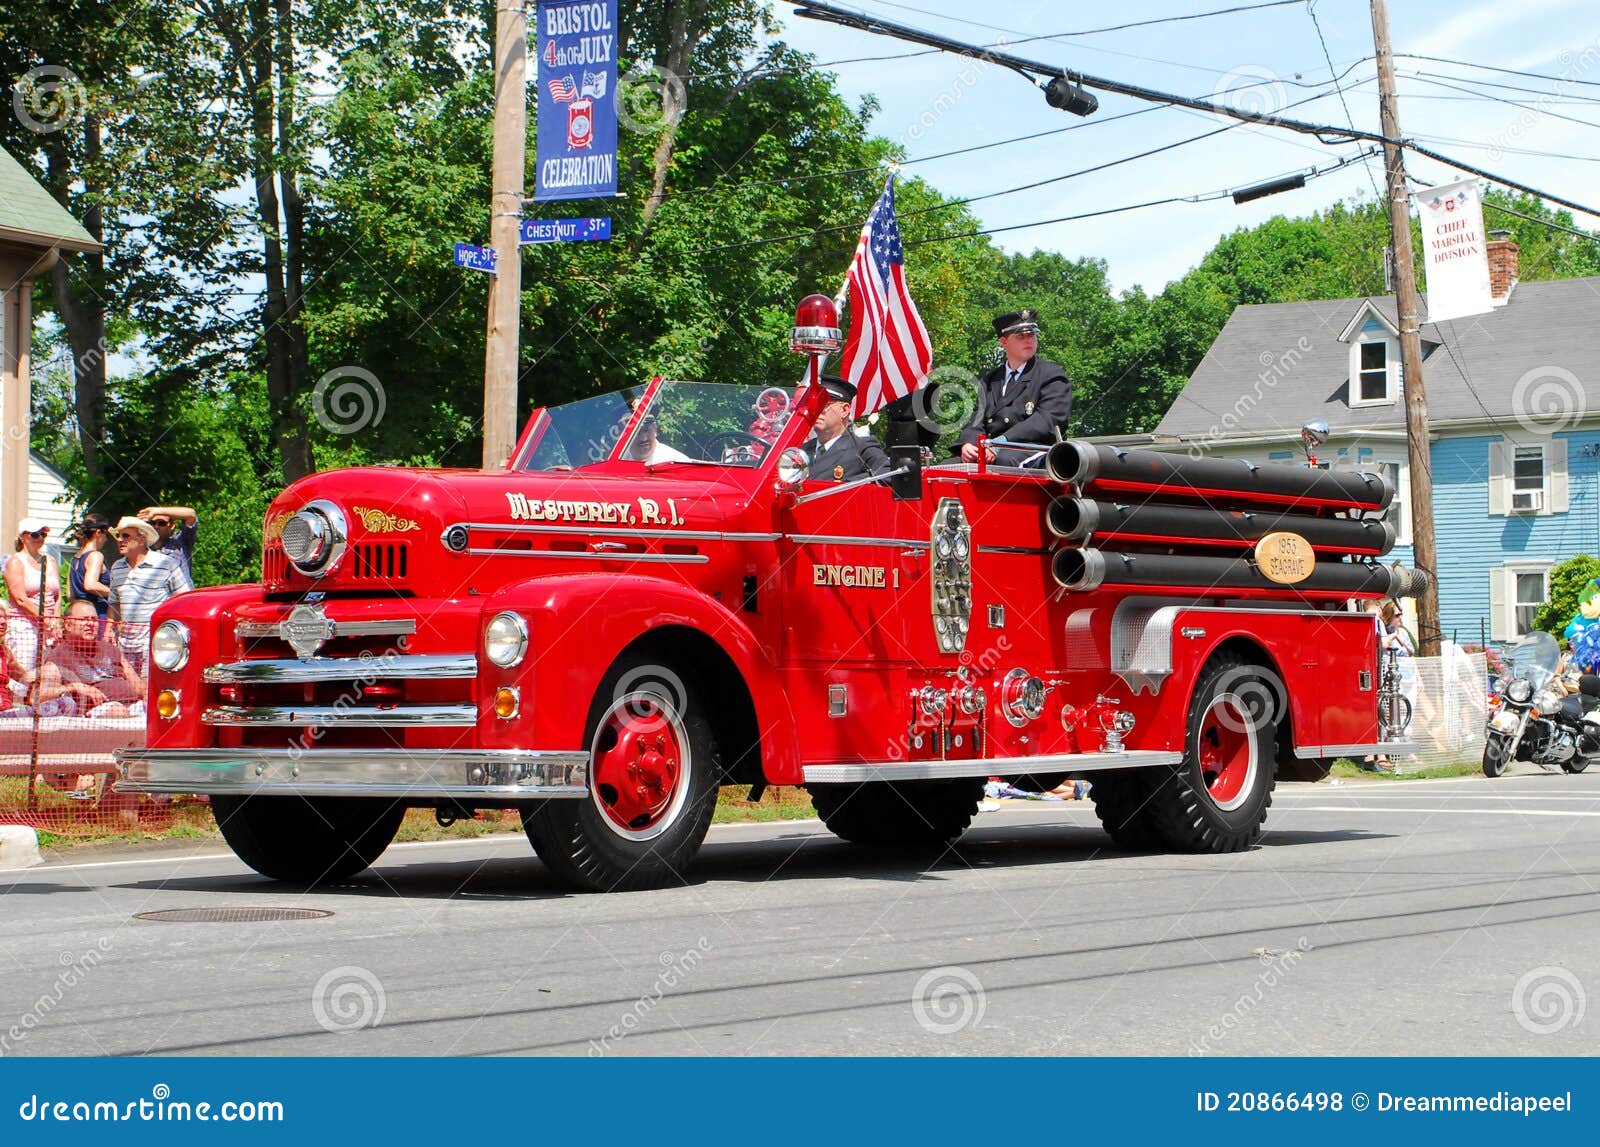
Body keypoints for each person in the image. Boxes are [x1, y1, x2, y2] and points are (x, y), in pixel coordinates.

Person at [958, 308, 1072, 464]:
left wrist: (1000, 443)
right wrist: (969, 444)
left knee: (1003, 461)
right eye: (1021, 336)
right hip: (990, 449)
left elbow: (1047, 420)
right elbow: (977, 418)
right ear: (1004, 342)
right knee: (946, 467)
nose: (1029, 340)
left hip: (1035, 450)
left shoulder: (1051, 374)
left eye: (1032, 335)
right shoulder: (990, 380)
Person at [107, 515, 192, 674]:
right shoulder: (117, 567)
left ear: (142, 539)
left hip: (155, 642)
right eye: (118, 536)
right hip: (125, 643)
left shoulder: (166, 563)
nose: (120, 540)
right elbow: (114, 603)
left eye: (126, 535)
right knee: (129, 693)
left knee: (149, 690)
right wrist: (108, 630)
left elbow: (184, 600)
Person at [37, 599, 143, 715]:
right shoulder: (59, 656)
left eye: (94, 619)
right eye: (84, 619)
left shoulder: (111, 649)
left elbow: (138, 686)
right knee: (118, 712)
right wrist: (73, 686)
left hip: (134, 706)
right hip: (101, 711)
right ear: (68, 625)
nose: (90, 624)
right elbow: (38, 695)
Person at [4, 517, 62, 685]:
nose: (41, 538)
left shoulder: (49, 560)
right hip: (24, 627)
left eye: (43, 534)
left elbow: (57, 595)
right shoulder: (14, 561)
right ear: (23, 537)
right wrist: (47, 619)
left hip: (48, 629)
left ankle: (41, 708)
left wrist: (56, 621)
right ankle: (18, 709)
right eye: (36, 534)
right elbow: (21, 599)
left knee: (47, 675)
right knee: (25, 675)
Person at [807, 375, 889, 482]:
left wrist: (851, 483)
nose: (816, 409)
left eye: (824, 404)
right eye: (814, 404)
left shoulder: (861, 448)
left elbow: (889, 479)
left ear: (844, 410)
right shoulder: (800, 451)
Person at [68, 512, 112, 624]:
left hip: (79, 619)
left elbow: (70, 595)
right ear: (98, 532)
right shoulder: (95, 555)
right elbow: (90, 585)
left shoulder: (75, 558)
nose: (106, 539)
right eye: (105, 534)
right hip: (97, 616)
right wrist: (117, 593)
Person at [139, 504, 198, 579]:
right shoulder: (144, 548)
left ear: (172, 525)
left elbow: (191, 514)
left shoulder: (181, 541)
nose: (156, 526)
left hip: (183, 590)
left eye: (161, 523)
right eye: (153, 523)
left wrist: (156, 511)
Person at [626, 416, 691, 464]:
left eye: (647, 430)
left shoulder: (676, 462)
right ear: (624, 434)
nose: (643, 438)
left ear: (655, 430)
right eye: (636, 432)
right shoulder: (619, 459)